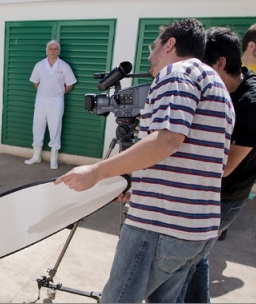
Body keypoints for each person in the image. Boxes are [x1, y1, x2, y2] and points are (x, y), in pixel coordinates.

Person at [55, 18, 235, 303]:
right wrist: (138, 184)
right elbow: (190, 154)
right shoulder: (216, 83)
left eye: (154, 46)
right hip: (197, 227)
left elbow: (167, 140)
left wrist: (96, 171)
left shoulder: (176, 72)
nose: (150, 55)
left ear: (170, 44)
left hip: (160, 225)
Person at [179, 27, 256, 303]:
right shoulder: (219, 88)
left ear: (220, 63)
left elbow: (222, 167)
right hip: (203, 190)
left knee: (183, 262)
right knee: (196, 260)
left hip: (224, 197)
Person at [24, 40, 77, 169]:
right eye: (50, 48)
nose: (53, 51)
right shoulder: (40, 65)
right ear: (47, 50)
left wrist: (58, 94)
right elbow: (35, 82)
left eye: (55, 49)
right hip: (41, 101)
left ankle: (53, 159)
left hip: (56, 102)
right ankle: (36, 156)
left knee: (55, 128)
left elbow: (70, 84)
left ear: (59, 51)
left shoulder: (64, 66)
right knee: (38, 126)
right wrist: (44, 93)